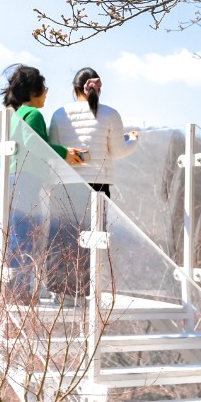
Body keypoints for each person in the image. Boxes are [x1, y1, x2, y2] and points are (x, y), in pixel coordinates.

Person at [0, 65, 83, 302]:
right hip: (24, 179)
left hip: (5, 176)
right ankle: (17, 289)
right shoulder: (33, 114)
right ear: (34, 91)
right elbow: (34, 143)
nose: (46, 93)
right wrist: (64, 153)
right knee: (22, 234)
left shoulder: (12, 115)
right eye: (44, 88)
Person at [47, 67, 139, 300]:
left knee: (62, 239)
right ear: (98, 89)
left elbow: (53, 150)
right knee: (91, 240)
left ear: (74, 88)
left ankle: (60, 293)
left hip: (64, 184)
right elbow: (118, 151)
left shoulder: (59, 114)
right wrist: (133, 139)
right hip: (97, 185)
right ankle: (84, 293)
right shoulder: (110, 114)